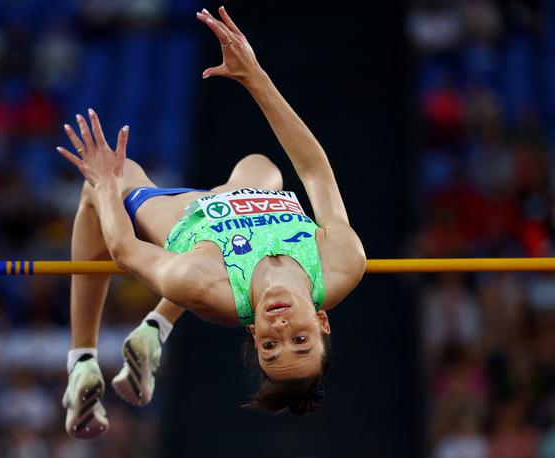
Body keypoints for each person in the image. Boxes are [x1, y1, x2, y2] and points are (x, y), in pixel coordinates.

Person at [56, 6, 366, 439]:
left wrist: (108, 187)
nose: (281, 330)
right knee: (263, 166)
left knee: (96, 191)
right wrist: (255, 77)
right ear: (322, 322)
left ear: (253, 334)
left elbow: (125, 251)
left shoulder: (202, 283)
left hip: (185, 213)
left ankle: (82, 362)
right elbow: (314, 170)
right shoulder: (342, 261)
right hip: (245, 193)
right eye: (300, 340)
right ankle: (153, 331)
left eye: (269, 347)